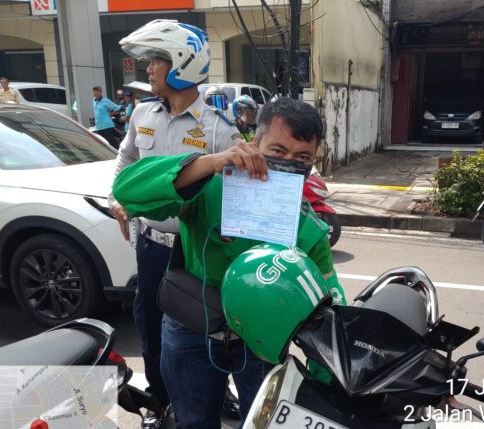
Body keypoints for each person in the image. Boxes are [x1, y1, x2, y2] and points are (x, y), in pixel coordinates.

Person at [113, 96, 346, 428]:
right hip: (191, 328)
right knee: (193, 422)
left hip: (261, 342)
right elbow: (127, 191)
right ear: (253, 143)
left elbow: (331, 303)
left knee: (260, 424)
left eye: (302, 157)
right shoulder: (209, 187)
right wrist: (210, 162)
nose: (288, 162)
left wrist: (336, 380)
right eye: (277, 151)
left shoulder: (306, 226)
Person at [109, 19, 244, 428]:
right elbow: (127, 158)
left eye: (156, 61)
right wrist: (117, 198)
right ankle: (161, 402)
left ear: (182, 64)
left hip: (195, 252)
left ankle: (212, 399)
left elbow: (233, 194)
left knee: (206, 334)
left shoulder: (219, 130)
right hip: (151, 247)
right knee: (150, 330)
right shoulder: (142, 114)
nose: (147, 70)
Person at [92, 85, 121, 149]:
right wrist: (94, 117)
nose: (95, 92)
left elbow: (117, 108)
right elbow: (98, 112)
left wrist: (111, 114)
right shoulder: (94, 101)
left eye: (97, 91)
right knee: (103, 146)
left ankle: (120, 156)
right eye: (94, 91)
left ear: (101, 92)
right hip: (99, 127)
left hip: (106, 126)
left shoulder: (106, 101)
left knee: (112, 145)